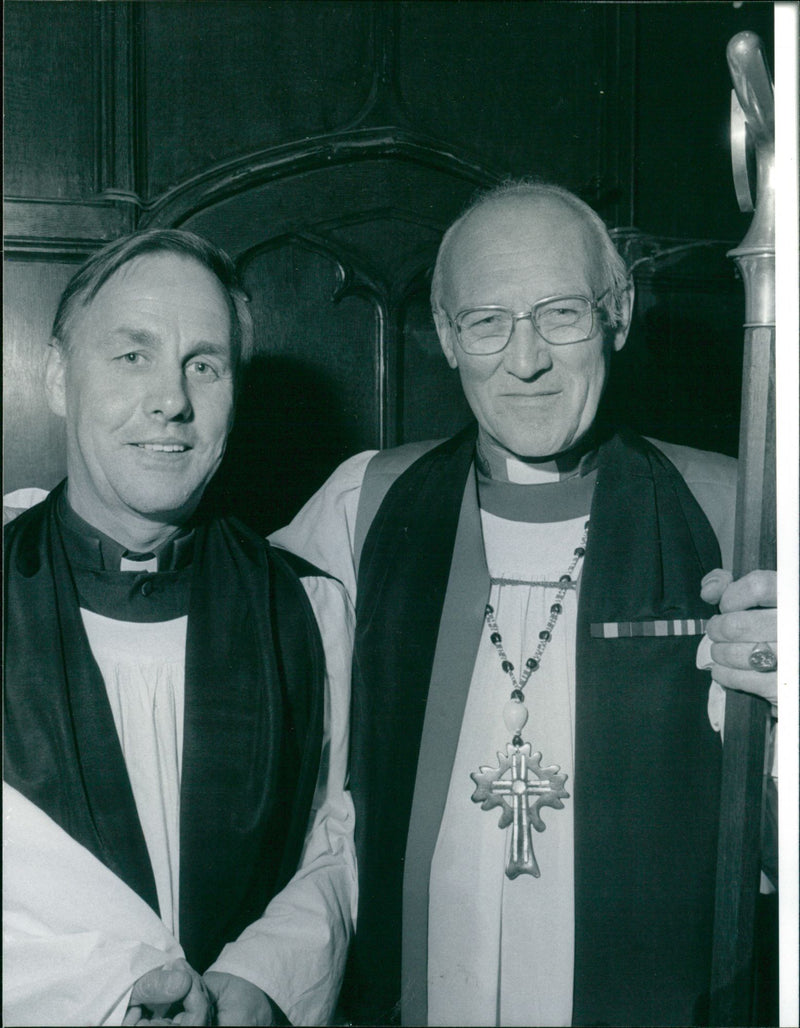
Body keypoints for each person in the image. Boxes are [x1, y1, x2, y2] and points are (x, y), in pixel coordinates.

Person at [270, 181, 778, 1027]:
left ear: (617, 318)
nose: (526, 357)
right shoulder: (366, 503)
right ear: (445, 336)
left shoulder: (738, 511)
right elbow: (221, 626)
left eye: (562, 314)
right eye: (487, 321)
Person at [3, 230, 356, 1027]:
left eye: (205, 364)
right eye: (132, 356)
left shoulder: (306, 609)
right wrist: (105, 991)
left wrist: (262, 979)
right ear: (59, 376)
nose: (172, 400)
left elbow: (336, 839)